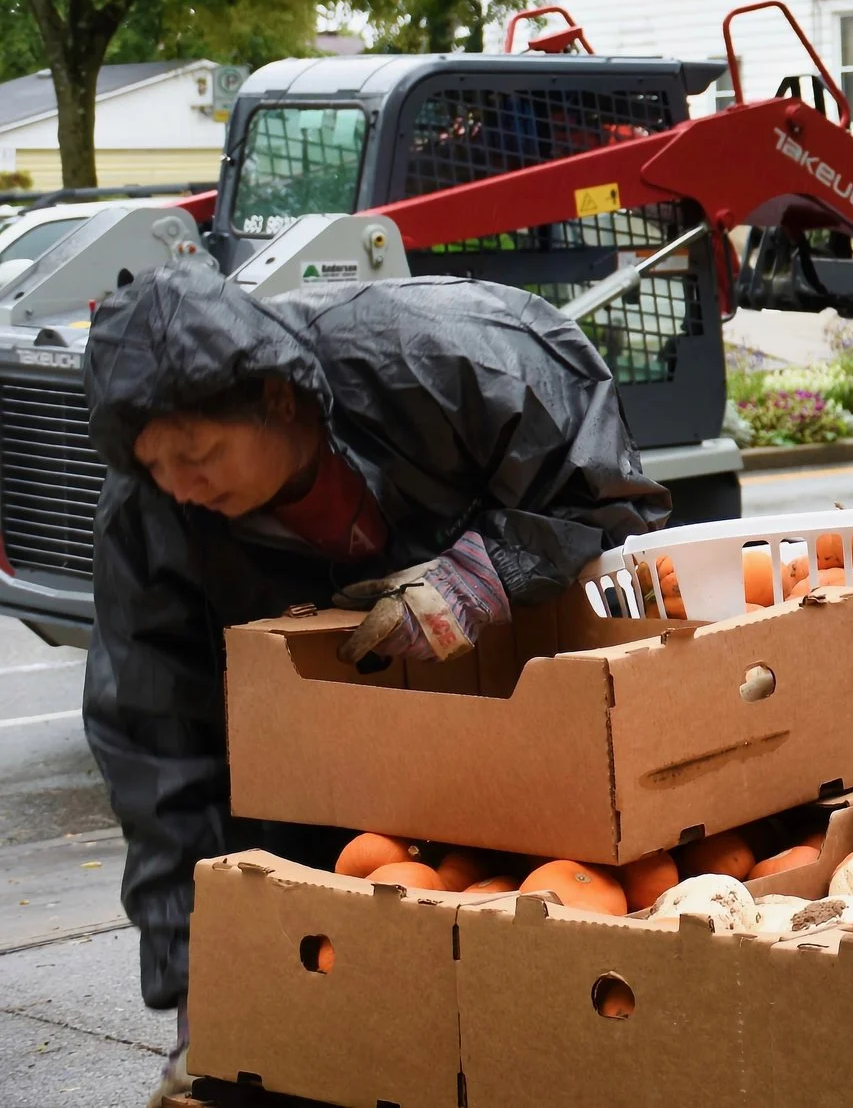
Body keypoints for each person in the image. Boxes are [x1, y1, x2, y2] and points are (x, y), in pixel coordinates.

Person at [81, 260, 670, 1102]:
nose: (182, 484)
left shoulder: (441, 356)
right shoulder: (150, 512)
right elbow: (156, 748)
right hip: (317, 773)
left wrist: (490, 572)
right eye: (156, 464)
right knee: (324, 969)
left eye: (201, 451)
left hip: (520, 730)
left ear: (279, 399)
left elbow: (605, 489)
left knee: (542, 976)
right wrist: (201, 983)